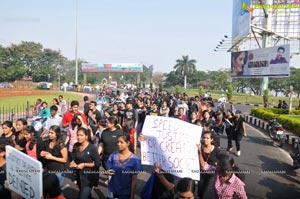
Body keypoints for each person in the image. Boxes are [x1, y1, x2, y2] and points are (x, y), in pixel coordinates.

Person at [106, 133, 143, 199]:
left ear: (128, 143)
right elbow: (109, 169)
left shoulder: (134, 160)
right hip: (114, 190)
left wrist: (132, 196)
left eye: (121, 142)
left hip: (126, 193)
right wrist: (108, 172)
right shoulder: (113, 155)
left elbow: (134, 180)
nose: (118, 144)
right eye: (118, 142)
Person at [70, 127, 100, 199]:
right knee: (87, 195)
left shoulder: (92, 148)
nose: (79, 137)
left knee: (82, 197)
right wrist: (73, 163)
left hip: (89, 178)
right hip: (79, 176)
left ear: (86, 136)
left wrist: (84, 164)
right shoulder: (76, 145)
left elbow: (98, 163)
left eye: (81, 135)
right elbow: (74, 159)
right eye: (78, 135)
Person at [197, 131, 220, 199]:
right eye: (204, 138)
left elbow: (221, 161)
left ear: (211, 139)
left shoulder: (217, 150)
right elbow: (201, 165)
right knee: (200, 193)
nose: (205, 139)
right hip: (201, 173)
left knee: (205, 194)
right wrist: (199, 151)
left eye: (207, 138)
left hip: (211, 175)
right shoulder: (199, 147)